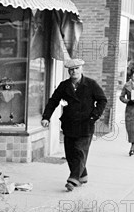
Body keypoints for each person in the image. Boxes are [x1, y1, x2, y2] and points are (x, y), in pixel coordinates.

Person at [41, 58, 107, 191]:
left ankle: (73, 179)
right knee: (70, 153)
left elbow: (102, 100)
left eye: (76, 68)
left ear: (81, 69)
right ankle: (82, 175)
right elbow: (53, 101)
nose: (73, 71)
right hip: (69, 124)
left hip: (85, 125)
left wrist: (94, 116)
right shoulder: (64, 85)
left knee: (79, 151)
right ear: (68, 71)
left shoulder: (91, 84)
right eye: (71, 69)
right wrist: (46, 117)